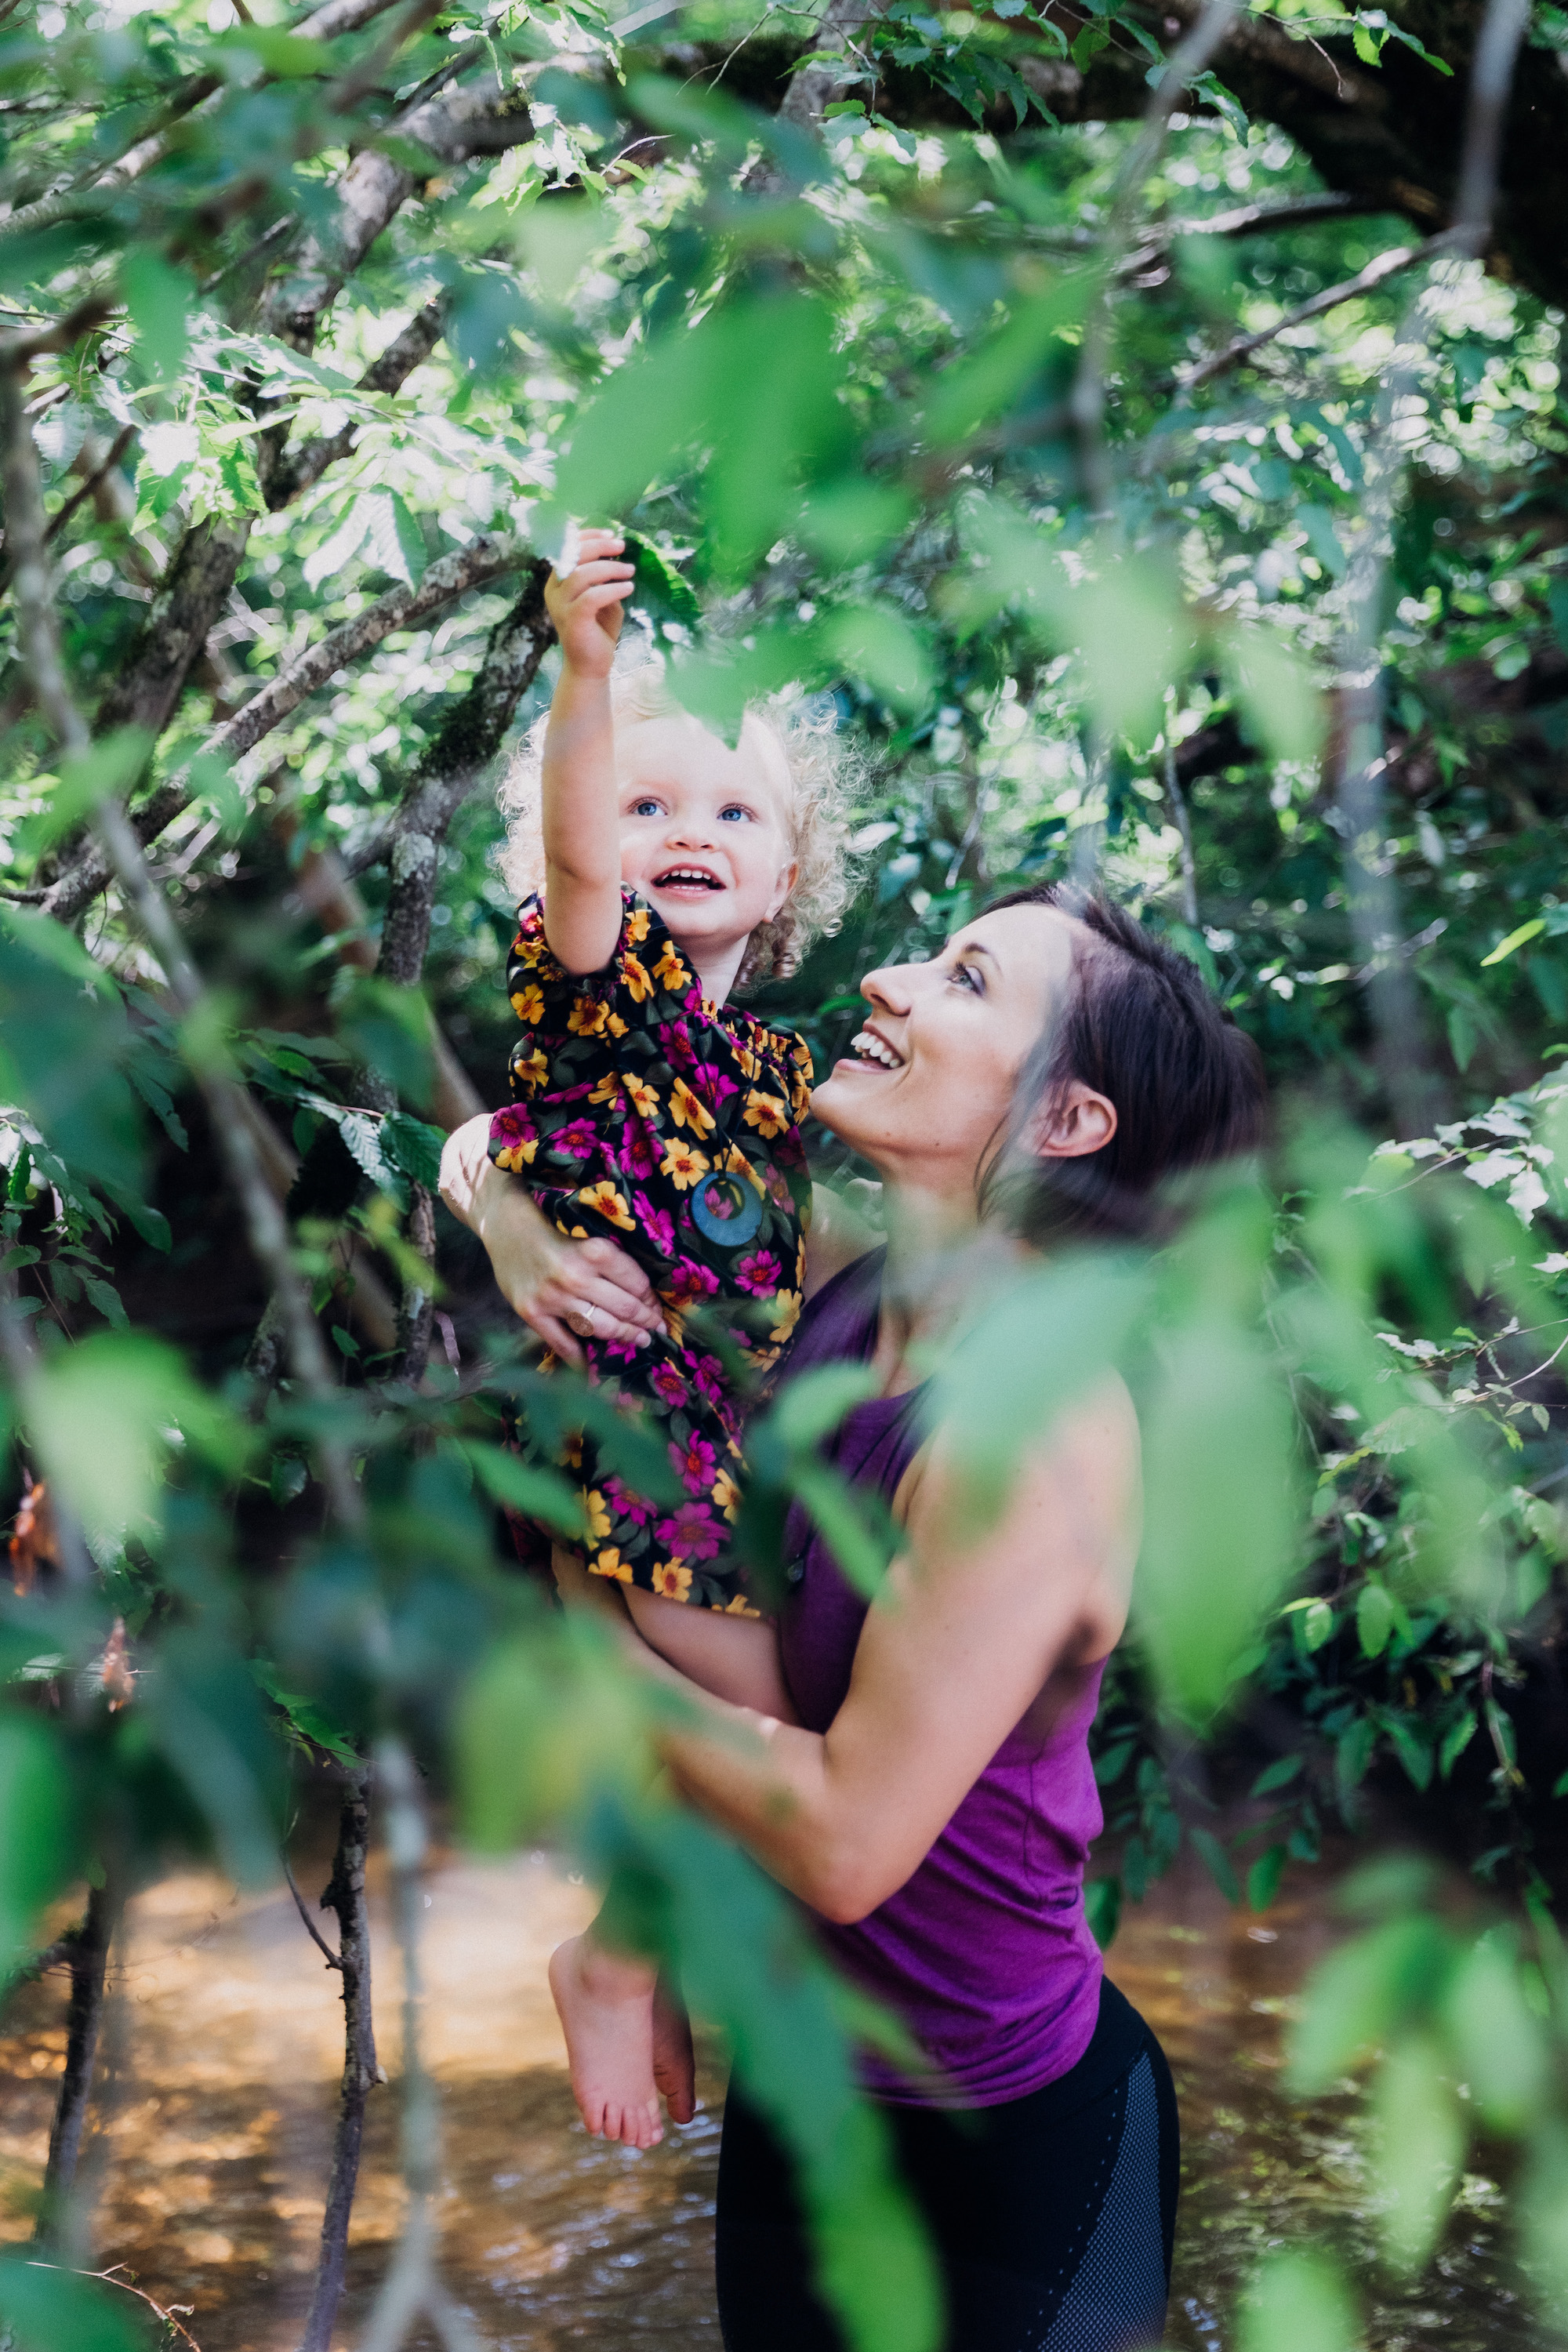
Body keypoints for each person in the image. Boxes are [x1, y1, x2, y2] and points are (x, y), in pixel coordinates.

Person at [443, 879, 1265, 2352]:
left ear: (1068, 1120)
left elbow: (841, 1844)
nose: (884, 982)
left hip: (1018, 2146)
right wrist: (517, 1232)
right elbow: (548, 1152)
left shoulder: (1043, 1431)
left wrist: (585, 1640)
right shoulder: (831, 1272)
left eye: (960, 979)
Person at [476, 528, 862, 2152]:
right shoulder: (602, 995)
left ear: (789, 880)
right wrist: (583, 676)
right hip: (632, 1472)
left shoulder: (779, 1077)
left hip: (726, 1474)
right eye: (648, 807)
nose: (684, 833)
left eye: (731, 812)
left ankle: (667, 1952)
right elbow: (577, 874)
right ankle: (617, 1958)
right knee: (803, 1720)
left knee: (769, 1729)